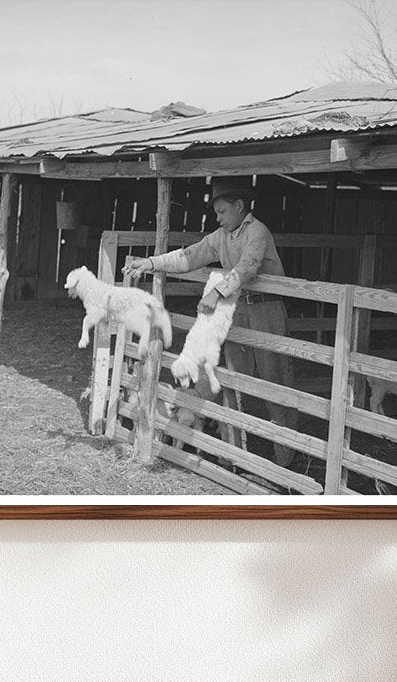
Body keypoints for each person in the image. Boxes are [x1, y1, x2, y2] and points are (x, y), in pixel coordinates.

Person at [123, 177, 297, 468]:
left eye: (222, 212)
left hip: (267, 311)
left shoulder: (257, 232)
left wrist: (216, 292)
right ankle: (233, 455)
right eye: (216, 213)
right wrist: (151, 263)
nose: (218, 218)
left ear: (240, 206)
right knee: (230, 379)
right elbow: (190, 256)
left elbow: (248, 267)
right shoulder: (221, 236)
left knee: (274, 378)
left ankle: (285, 460)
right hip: (239, 310)